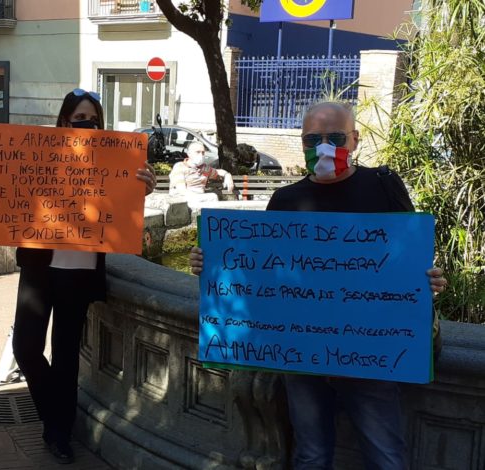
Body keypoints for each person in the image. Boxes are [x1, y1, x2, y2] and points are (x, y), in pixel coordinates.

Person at [189, 101, 448, 469]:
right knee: (310, 454)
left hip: (370, 354)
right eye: (313, 139)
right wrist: (211, 265)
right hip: (302, 356)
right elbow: (260, 272)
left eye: (335, 137)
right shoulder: (285, 200)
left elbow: (411, 260)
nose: (323, 146)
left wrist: (430, 279)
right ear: (302, 143)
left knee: (386, 456)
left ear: (355, 140)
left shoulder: (381, 188)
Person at [0, 88, 156, 464]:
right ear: (63, 123)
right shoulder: (39, 154)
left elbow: (120, 209)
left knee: (67, 354)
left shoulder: (113, 159)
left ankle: (59, 434)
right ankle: (55, 412)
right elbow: (8, 189)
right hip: (39, 268)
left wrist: (143, 190)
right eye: (79, 119)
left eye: (93, 120)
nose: (86, 126)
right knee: (25, 347)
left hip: (80, 274)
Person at [168, 141, 233, 202]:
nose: (201, 155)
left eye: (203, 152)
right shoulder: (179, 167)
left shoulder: (204, 168)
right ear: (189, 154)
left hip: (199, 199)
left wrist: (228, 175)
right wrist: (200, 198)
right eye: (198, 152)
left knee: (213, 197)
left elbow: (219, 172)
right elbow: (182, 191)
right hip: (181, 200)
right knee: (213, 197)